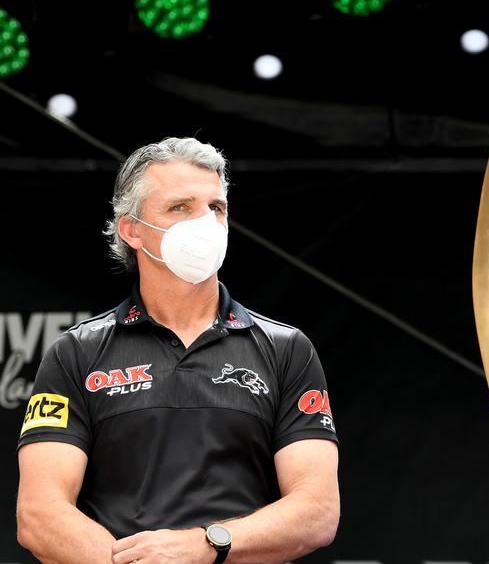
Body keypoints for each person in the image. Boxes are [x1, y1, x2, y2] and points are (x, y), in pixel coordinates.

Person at [16, 137, 340, 564]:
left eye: (216, 208)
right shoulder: (77, 352)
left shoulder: (287, 349)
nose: (205, 222)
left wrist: (205, 545)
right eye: (180, 207)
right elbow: (40, 515)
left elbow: (317, 512)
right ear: (131, 229)